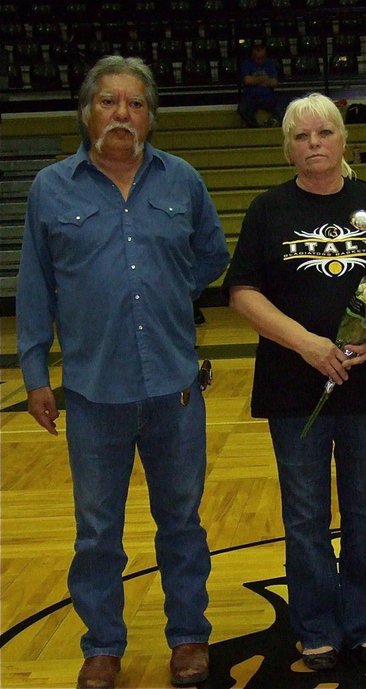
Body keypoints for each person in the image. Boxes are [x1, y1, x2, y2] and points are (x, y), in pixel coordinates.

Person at [15, 56, 230, 688]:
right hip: (91, 393)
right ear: (87, 113)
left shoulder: (182, 180)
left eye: (135, 105)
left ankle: (189, 637)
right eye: (109, 102)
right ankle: (102, 645)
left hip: (176, 389)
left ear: (151, 119)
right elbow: (35, 287)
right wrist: (34, 374)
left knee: (183, 524)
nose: (122, 115)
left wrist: (165, 290)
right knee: (97, 532)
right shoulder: (50, 190)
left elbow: (212, 253)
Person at [225, 93, 366, 671]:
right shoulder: (267, 210)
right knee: (305, 513)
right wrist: (305, 343)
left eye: (324, 134)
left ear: (342, 141)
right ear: (288, 148)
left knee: (365, 509)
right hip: (292, 385)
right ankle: (316, 629)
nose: (314, 144)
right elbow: (242, 292)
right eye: (302, 137)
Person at [238, 43, 284, 128]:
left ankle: (273, 121)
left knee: (284, 103)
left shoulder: (269, 64)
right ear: (253, 55)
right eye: (257, 58)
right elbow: (247, 81)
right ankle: (255, 126)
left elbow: (274, 82)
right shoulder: (247, 64)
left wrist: (255, 80)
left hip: (267, 97)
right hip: (251, 97)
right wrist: (264, 78)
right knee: (242, 108)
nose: (260, 61)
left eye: (262, 58)